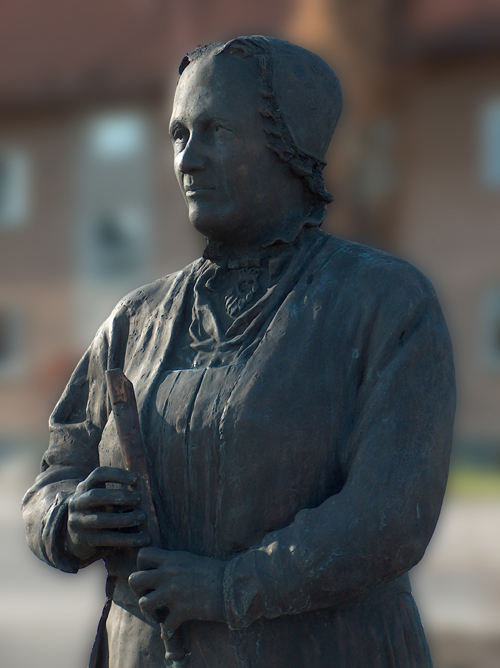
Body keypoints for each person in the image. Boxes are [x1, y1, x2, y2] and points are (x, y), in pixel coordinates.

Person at [23, 36, 455, 668]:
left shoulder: (382, 303)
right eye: (178, 135)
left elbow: (390, 514)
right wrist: (69, 518)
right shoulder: (133, 322)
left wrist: (232, 588)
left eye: (216, 131)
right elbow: (53, 477)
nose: (187, 159)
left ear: (289, 145)